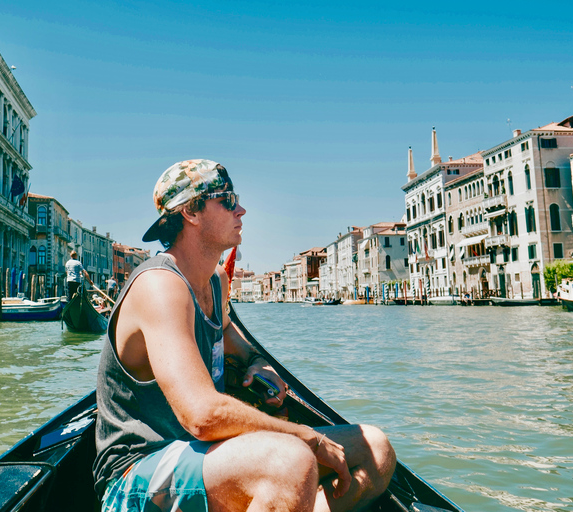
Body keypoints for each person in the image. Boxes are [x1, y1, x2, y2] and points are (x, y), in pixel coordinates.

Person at [94, 159, 396, 512]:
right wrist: (305, 436)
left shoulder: (215, 282)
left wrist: (256, 362)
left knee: (376, 449)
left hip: (207, 458)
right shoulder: (160, 286)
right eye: (228, 200)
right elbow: (203, 416)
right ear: (191, 212)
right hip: (136, 475)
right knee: (291, 461)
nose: (242, 209)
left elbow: (230, 336)